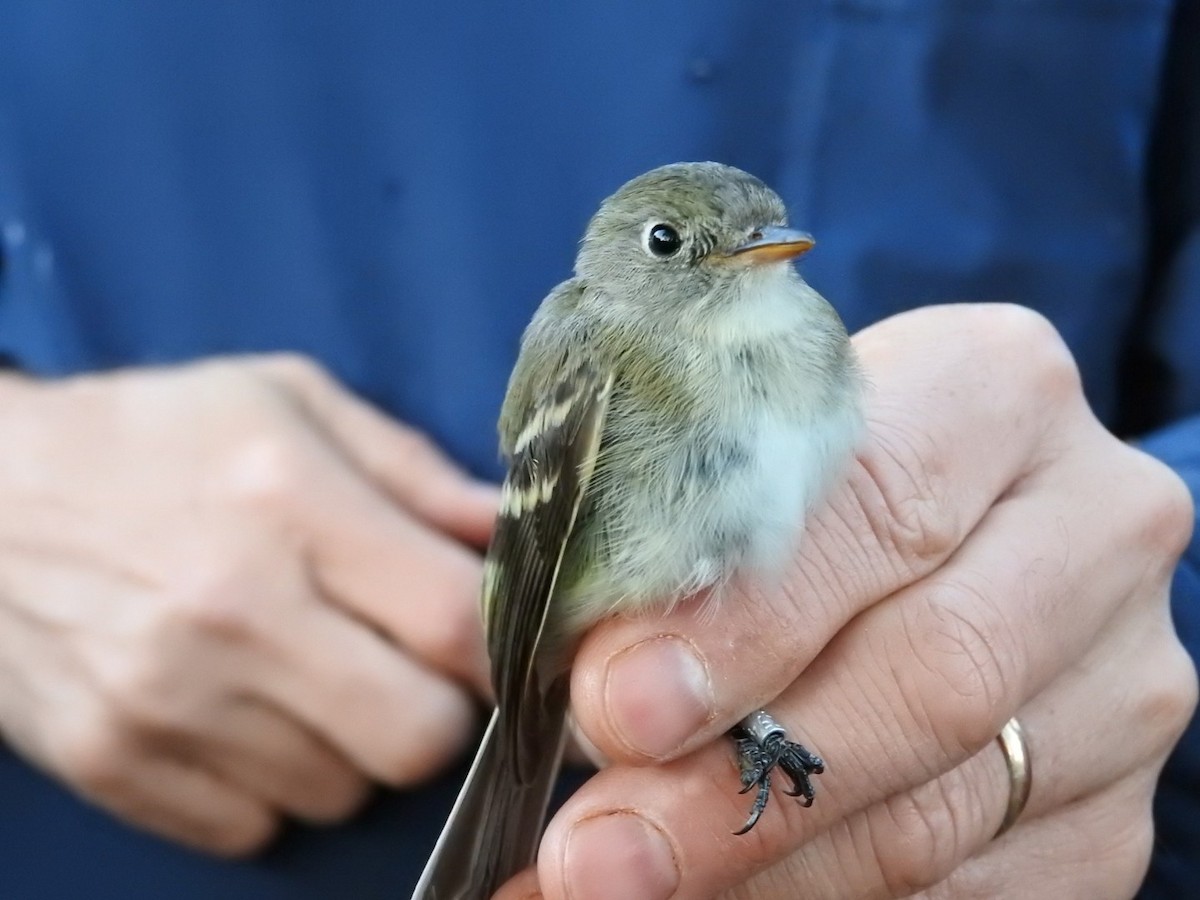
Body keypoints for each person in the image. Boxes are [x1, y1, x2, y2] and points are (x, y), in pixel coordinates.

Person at [0, 3, 1196, 898]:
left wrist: (1100, 629)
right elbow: (546, 558)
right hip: (156, 832)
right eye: (684, 243)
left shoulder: (812, 341)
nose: (752, 253)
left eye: (760, 234)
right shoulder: (597, 352)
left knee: (696, 675)